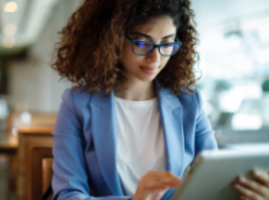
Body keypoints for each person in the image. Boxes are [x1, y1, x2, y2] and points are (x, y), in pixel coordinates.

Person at [50, 0, 269, 199]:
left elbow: (213, 183)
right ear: (112, 39)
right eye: (143, 43)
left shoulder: (189, 102)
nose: (156, 58)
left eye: (167, 43)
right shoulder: (77, 104)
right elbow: (68, 195)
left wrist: (248, 191)